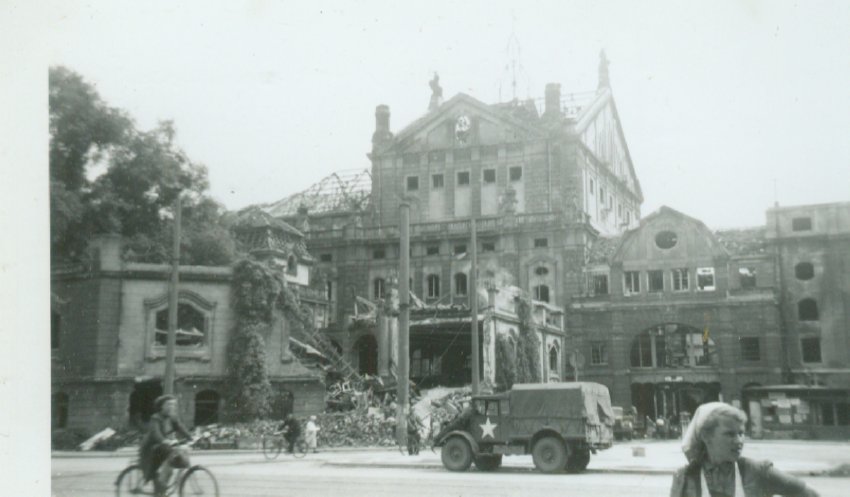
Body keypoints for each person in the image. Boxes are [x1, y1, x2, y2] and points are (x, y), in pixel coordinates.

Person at [670, 402, 820, 497]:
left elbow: (809, 494)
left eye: (741, 433)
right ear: (706, 437)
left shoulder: (758, 471)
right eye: (730, 434)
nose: (739, 441)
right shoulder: (685, 477)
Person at [139, 395, 191, 497]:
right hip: (151, 449)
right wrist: (164, 440)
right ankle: (161, 487)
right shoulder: (155, 418)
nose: (172, 407)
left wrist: (191, 437)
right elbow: (156, 433)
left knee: (174, 460)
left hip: (163, 448)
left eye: (173, 405)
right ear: (161, 406)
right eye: (168, 404)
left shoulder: (172, 418)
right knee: (163, 469)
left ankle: (162, 487)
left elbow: (181, 428)